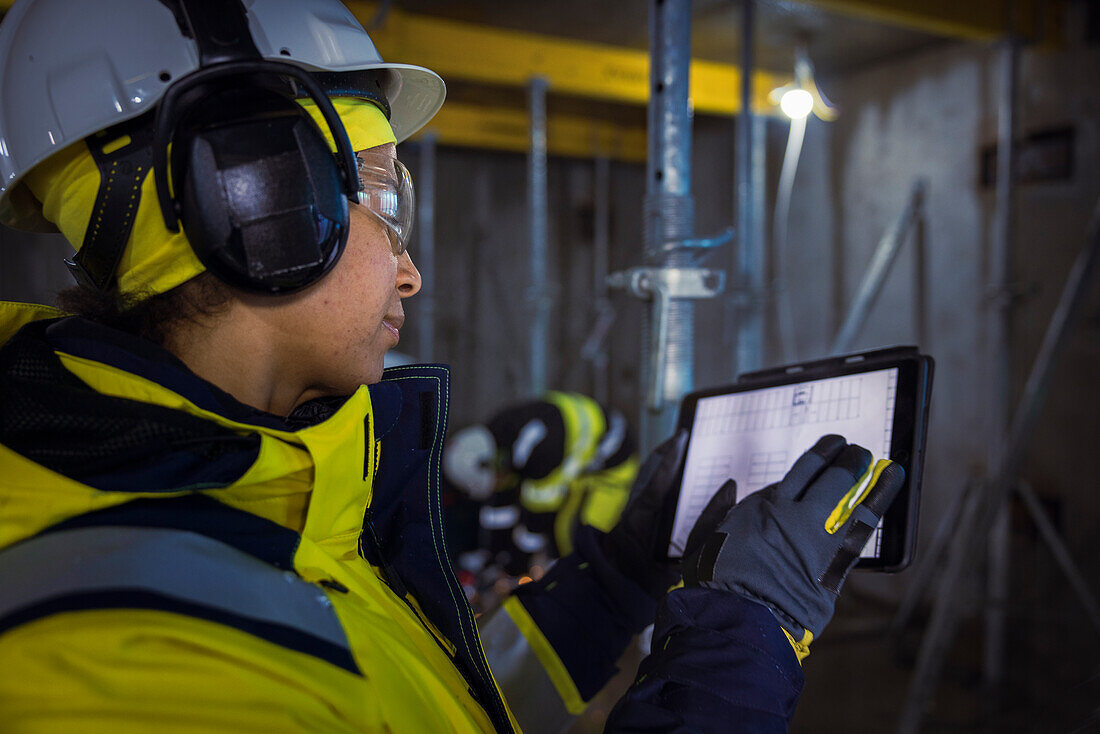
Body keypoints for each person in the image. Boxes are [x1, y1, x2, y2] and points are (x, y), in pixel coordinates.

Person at [0, 1, 905, 732]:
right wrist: (741, 641)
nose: (410, 267)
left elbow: (422, 704)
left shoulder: (261, 494)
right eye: (383, 198)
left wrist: (616, 579)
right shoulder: (132, 668)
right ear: (257, 198)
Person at [444, 393, 638, 579]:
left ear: (494, 467)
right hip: (575, 452)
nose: (496, 485)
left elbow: (537, 524)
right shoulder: (496, 438)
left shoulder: (540, 456)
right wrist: (495, 558)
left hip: (612, 466)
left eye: (494, 481)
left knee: (586, 539)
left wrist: (515, 568)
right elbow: (500, 503)